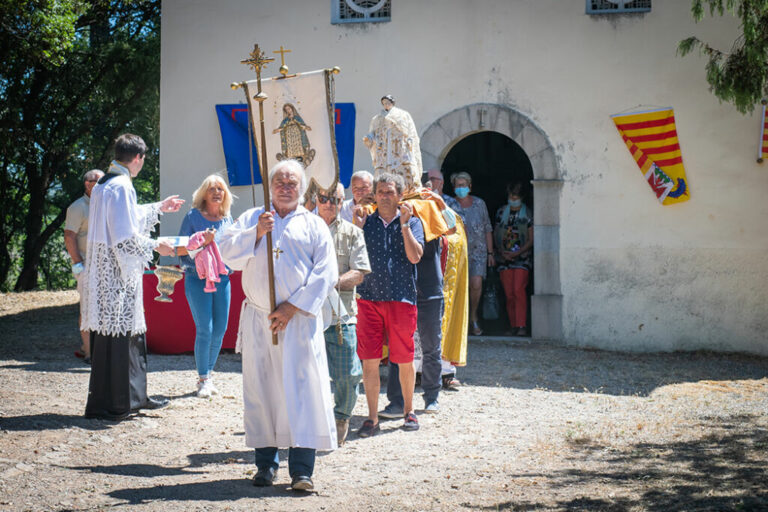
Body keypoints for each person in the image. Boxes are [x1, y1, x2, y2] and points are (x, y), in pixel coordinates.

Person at [218, 159, 338, 492]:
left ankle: (301, 470)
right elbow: (226, 253)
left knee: (302, 390)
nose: (286, 188)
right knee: (263, 390)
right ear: (271, 186)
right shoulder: (253, 218)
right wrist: (256, 232)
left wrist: (292, 306)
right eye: (280, 183)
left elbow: (325, 273)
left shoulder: (314, 225)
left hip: (298, 323)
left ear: (302, 188)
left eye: (292, 183)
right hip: (260, 320)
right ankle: (265, 465)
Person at [80, 134, 184, 421]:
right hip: (117, 276)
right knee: (121, 338)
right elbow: (125, 238)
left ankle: (130, 398)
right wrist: (156, 246)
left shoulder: (105, 182)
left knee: (121, 337)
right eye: (143, 159)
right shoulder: (122, 185)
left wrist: (159, 207)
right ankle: (118, 403)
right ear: (137, 158)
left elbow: (123, 217)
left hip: (106, 275)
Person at [354, 173, 424, 436]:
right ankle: (372, 418)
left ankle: (409, 411)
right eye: (380, 192)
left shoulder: (414, 222)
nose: (384, 196)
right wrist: (357, 229)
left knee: (404, 358)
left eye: (390, 192)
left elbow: (415, 257)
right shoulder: (365, 223)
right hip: (369, 298)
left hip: (401, 299)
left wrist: (405, 226)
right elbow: (352, 257)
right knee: (369, 359)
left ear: (400, 195)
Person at [383, 186, 455, 416]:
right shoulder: (395, 217)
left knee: (431, 345)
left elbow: (453, 227)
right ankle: (396, 401)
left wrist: (439, 202)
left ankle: (432, 396)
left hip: (430, 288)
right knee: (399, 346)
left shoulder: (431, 212)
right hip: (403, 290)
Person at [316, 183, 371, 446]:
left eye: (334, 200)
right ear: (316, 199)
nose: (329, 204)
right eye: (323, 198)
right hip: (307, 314)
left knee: (348, 374)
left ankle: (341, 417)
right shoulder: (303, 229)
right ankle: (311, 421)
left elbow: (359, 272)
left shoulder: (352, 232)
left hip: (342, 313)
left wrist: (330, 282)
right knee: (306, 373)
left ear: (342, 202)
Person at [178, 175, 235, 398]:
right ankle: (203, 379)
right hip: (196, 278)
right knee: (205, 329)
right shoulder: (192, 216)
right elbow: (180, 250)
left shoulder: (227, 220)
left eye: (220, 189)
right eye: (212, 188)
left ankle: (208, 375)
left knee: (220, 329)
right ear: (204, 193)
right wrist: (202, 242)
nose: (217, 192)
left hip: (223, 279)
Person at [64, 168, 105, 364]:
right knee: (87, 309)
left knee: (104, 309)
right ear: (88, 184)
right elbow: (69, 236)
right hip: (87, 265)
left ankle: (94, 349)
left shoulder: (107, 205)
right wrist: (78, 263)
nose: (104, 184)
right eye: (99, 181)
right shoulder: (77, 207)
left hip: (106, 266)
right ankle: (89, 352)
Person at [449, 171, 494, 336]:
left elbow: (487, 228)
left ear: (469, 186)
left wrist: (490, 253)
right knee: (458, 288)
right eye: (457, 185)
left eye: (463, 185)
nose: (460, 188)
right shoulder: (450, 205)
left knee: (476, 284)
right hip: (457, 253)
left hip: (479, 252)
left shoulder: (479, 204)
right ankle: (460, 321)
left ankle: (473, 315)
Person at [494, 183, 534, 336]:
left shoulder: (527, 214)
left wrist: (517, 253)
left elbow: (531, 239)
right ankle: (513, 325)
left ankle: (522, 325)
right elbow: (496, 232)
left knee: (518, 290)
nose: (513, 200)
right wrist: (500, 251)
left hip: (522, 258)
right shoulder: (501, 212)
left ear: (521, 198)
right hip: (504, 258)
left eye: (516, 197)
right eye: (511, 197)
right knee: (509, 293)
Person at [363, 95, 422, 191]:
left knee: (403, 173)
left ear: (392, 103)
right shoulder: (377, 119)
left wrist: (410, 141)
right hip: (384, 152)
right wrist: (369, 138)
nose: (386, 105)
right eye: (384, 103)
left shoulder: (403, 115)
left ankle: (407, 190)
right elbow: (373, 133)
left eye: (388, 103)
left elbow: (410, 132)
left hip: (399, 149)